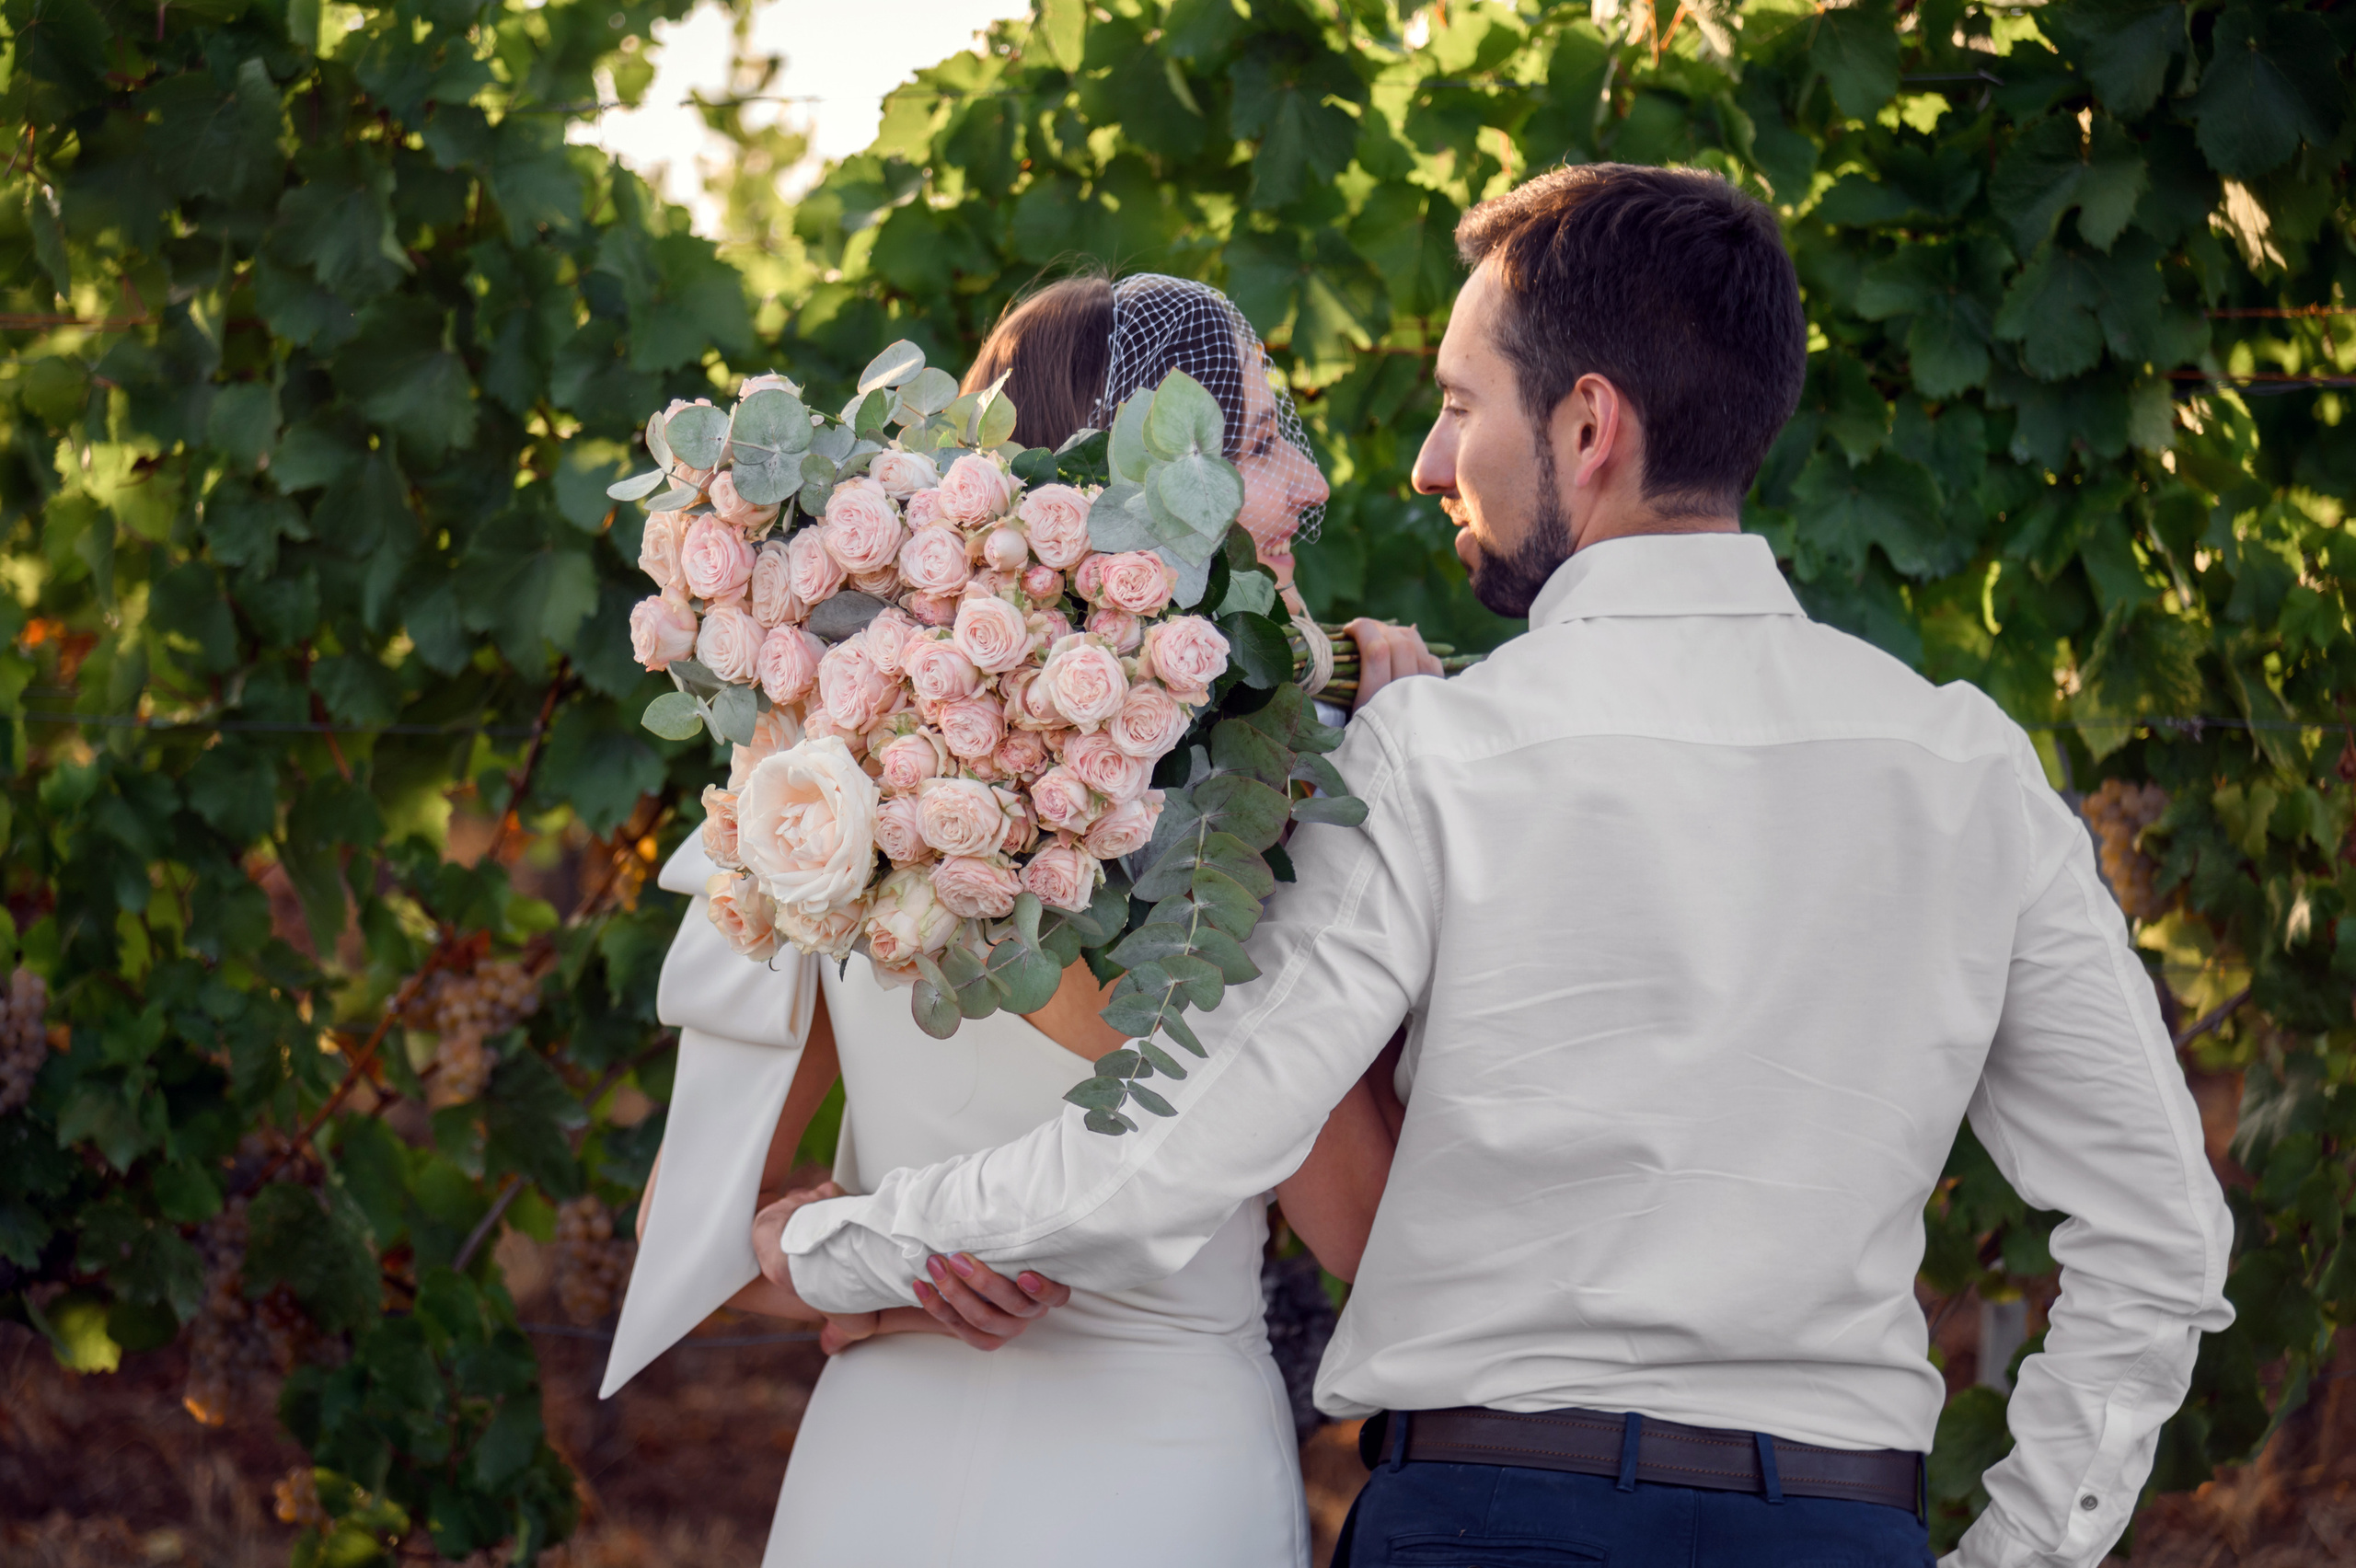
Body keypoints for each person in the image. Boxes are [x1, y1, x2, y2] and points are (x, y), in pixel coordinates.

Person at [752, 165, 2235, 1568]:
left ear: (1590, 428)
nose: (1420, 463)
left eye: (1461, 407)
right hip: (1835, 1528)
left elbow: (1177, 1146)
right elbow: (2161, 1239)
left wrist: (839, 1251)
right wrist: (2024, 1548)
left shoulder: (1433, 760)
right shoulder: (1970, 768)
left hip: (1485, 1518)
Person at [612, 272, 1426, 1568]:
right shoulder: (1251, 820)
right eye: (1262, 442)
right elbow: (1363, 1234)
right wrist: (1388, 781)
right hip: (1156, 1480)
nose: (1308, 484)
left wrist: (865, 1273)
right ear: (1156, 484)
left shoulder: (827, 782)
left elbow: (698, 1237)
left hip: (877, 1479)